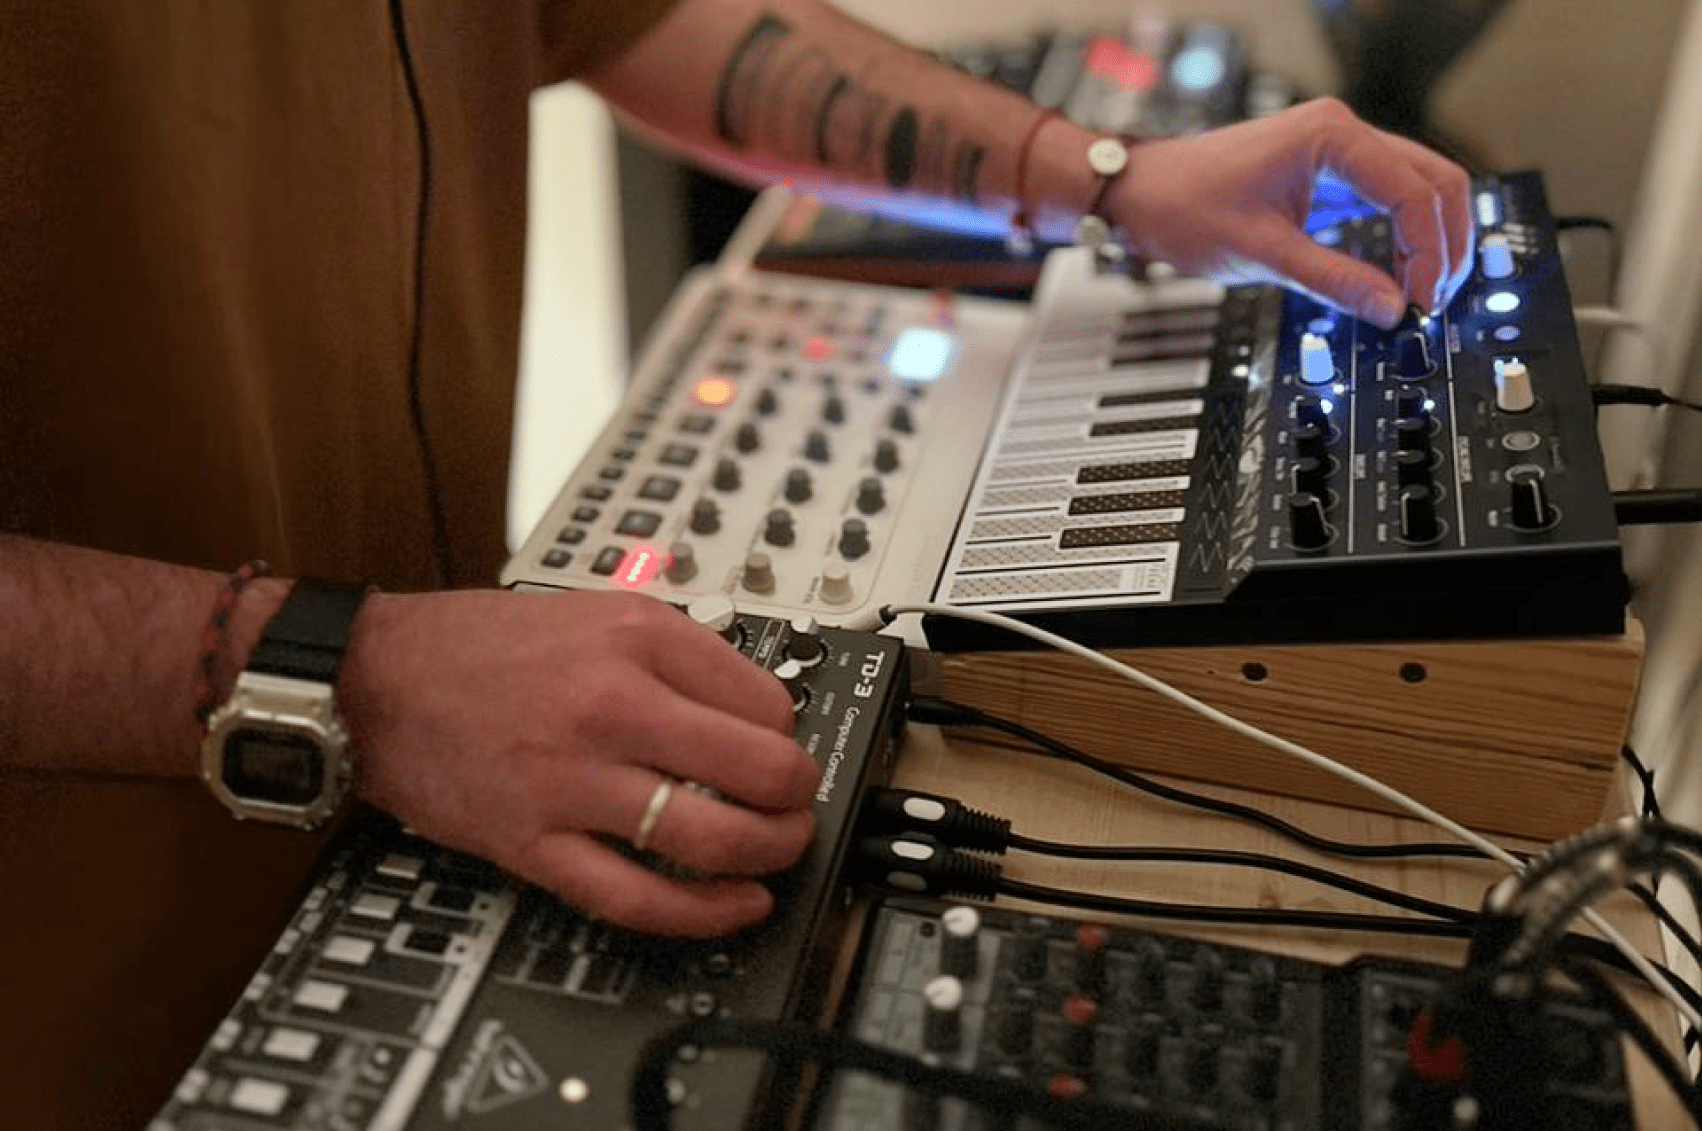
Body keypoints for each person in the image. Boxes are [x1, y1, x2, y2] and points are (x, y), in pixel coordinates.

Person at [0, 0, 1472, 1125]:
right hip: (85, 970)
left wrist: (1103, 174)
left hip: (439, 770)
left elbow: (644, 21)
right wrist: (358, 675)